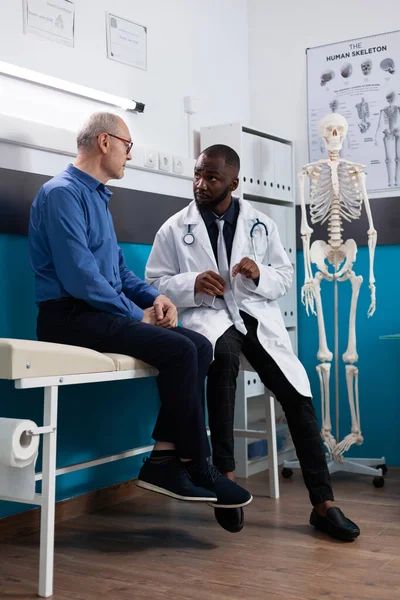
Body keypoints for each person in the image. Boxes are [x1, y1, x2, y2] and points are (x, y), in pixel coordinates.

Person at [28, 114, 252, 517]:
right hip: (69, 316)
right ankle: (198, 464)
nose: (130, 155)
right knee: (182, 352)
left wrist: (157, 298)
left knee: (198, 345)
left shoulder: (96, 196)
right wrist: (137, 315)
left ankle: (163, 460)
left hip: (95, 312)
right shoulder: (62, 193)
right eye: (127, 146)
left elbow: (118, 272)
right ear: (104, 143)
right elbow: (81, 279)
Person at [145, 144, 360, 540]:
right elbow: (154, 283)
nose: (201, 184)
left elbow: (285, 277)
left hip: (255, 317)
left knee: (296, 393)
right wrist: (190, 284)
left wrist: (260, 273)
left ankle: (323, 503)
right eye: (197, 174)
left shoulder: (261, 224)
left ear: (234, 182)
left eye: (211, 177)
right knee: (221, 362)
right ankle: (225, 482)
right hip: (209, 317)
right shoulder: (174, 228)